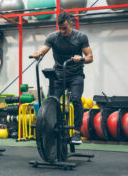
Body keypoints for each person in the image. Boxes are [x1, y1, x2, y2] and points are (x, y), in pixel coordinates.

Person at [31, 12, 93, 144]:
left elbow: (90, 57)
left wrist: (81, 59)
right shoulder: (53, 37)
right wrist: (38, 54)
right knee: (50, 102)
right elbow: (43, 50)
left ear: (71, 23)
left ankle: (77, 133)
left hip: (76, 75)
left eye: (64, 28)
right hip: (59, 75)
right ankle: (51, 128)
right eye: (60, 28)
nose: (62, 31)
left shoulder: (81, 37)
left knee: (76, 99)